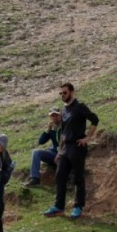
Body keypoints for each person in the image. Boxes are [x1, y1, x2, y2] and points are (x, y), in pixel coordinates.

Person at [43, 83, 100, 219]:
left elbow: (95, 119)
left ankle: (78, 206)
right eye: (61, 93)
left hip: (77, 146)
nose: (63, 95)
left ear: (72, 92)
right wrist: (59, 151)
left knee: (78, 177)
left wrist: (87, 138)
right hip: (65, 148)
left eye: (65, 93)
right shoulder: (63, 110)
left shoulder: (80, 107)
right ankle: (59, 207)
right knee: (60, 175)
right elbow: (63, 132)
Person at [24, 109, 62, 187]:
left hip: (65, 153)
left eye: (56, 115)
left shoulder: (66, 126)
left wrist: (60, 153)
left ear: (61, 115)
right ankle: (35, 178)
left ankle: (66, 181)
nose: (54, 117)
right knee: (36, 152)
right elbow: (41, 141)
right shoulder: (52, 129)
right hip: (54, 153)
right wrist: (47, 129)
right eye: (52, 116)